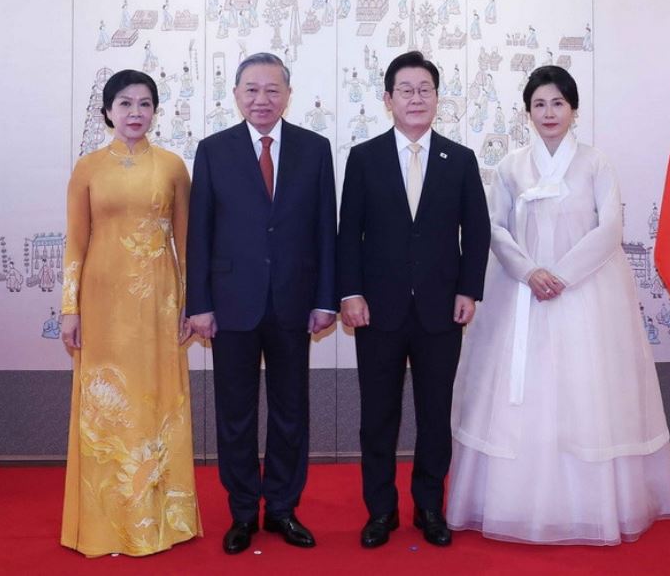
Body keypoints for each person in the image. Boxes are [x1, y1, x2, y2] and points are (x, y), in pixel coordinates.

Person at [447, 65, 670, 545]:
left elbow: (609, 230)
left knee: (585, 393)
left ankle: (590, 506)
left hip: (585, 294)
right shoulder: (511, 166)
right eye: (539, 104)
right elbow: (494, 228)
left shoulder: (596, 163)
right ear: (527, 112)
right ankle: (513, 502)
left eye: (557, 103)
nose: (548, 112)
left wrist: (563, 275)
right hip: (522, 294)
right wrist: (530, 271)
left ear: (574, 109)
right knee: (523, 397)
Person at [338, 51, 490, 549]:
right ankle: (380, 511)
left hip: (440, 311)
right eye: (406, 89)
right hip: (377, 312)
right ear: (388, 100)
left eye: (425, 89)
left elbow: (478, 232)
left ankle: (429, 507)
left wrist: (469, 290)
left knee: (434, 415)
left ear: (437, 98)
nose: (416, 98)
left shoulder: (460, 159)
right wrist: (351, 293)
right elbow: (348, 235)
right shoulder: (363, 158)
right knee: (377, 417)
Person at [187, 53, 337, 555]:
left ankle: (283, 509)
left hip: (296, 302)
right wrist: (199, 304)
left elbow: (325, 231)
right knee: (235, 413)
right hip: (231, 305)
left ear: (288, 95)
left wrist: (325, 299)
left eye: (272, 90)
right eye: (251, 90)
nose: (261, 100)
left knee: (291, 411)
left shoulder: (316, 150)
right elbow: (199, 234)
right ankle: (242, 512)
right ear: (235, 95)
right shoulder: (213, 151)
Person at [59, 70, 200, 557]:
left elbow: (186, 244)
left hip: (159, 303)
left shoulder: (173, 167)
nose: (135, 113)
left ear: (155, 112)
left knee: (157, 399)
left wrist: (190, 303)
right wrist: (69, 308)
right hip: (101, 304)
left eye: (144, 104)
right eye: (125, 103)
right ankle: (104, 525)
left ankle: (163, 521)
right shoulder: (88, 168)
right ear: (107, 112)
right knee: (105, 409)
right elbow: (75, 241)